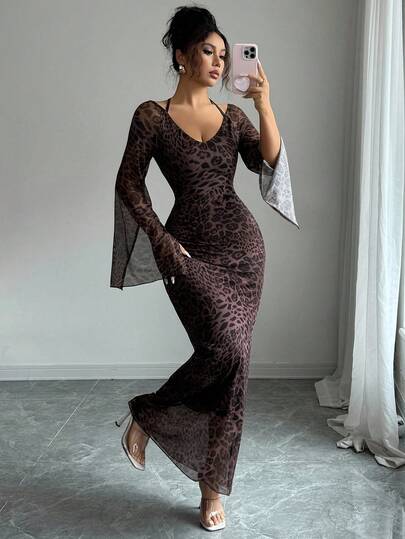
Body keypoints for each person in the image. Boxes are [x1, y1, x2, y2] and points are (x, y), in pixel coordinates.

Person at [111, 5, 299, 532]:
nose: (218, 62)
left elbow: (266, 163)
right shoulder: (151, 116)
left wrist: (264, 104)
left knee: (233, 363)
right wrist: (162, 241)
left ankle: (210, 488)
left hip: (242, 250)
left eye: (222, 54)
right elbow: (129, 182)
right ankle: (149, 414)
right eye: (207, 52)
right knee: (225, 349)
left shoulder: (233, 117)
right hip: (187, 250)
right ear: (181, 56)